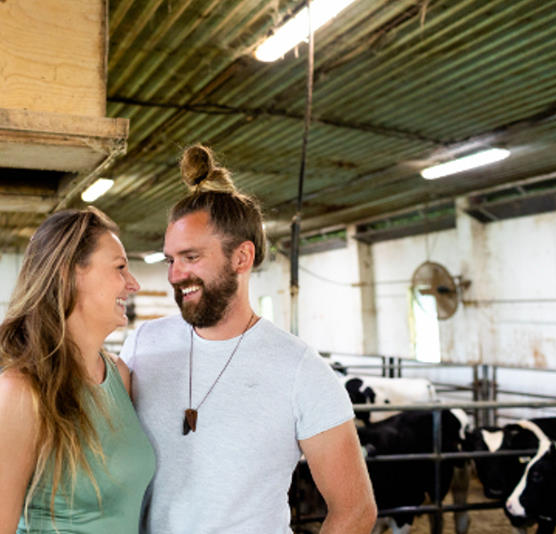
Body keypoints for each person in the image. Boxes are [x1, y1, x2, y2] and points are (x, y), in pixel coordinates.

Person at [120, 145, 376, 534]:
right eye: (171, 259)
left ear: (241, 257)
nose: (174, 275)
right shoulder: (142, 346)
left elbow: (354, 511)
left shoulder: (300, 369)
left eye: (190, 257)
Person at [0, 207, 156, 534]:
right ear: (69, 273)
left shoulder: (118, 376)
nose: (133, 283)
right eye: (120, 268)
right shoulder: (21, 391)